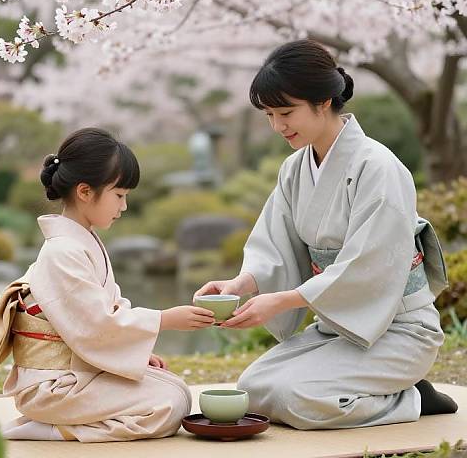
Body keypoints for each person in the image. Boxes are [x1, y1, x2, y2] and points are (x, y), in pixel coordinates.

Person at [194, 39, 458, 430]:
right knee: (253, 388)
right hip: (337, 326)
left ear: (323, 102)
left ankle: (413, 397)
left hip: (398, 329)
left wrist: (282, 300)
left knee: (297, 399)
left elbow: (367, 263)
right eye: (269, 115)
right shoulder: (294, 169)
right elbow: (275, 243)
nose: (278, 126)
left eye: (286, 112)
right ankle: (384, 389)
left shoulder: (379, 167)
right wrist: (241, 283)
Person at [0, 127, 215, 442]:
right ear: (84, 191)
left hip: (78, 373)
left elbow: (108, 309)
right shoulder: (61, 252)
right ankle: (52, 429)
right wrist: (164, 319)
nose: (123, 206)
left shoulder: (80, 243)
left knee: (175, 388)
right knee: (170, 405)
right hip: (53, 388)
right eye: (119, 195)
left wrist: (132, 353)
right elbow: (94, 324)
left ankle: (65, 423)